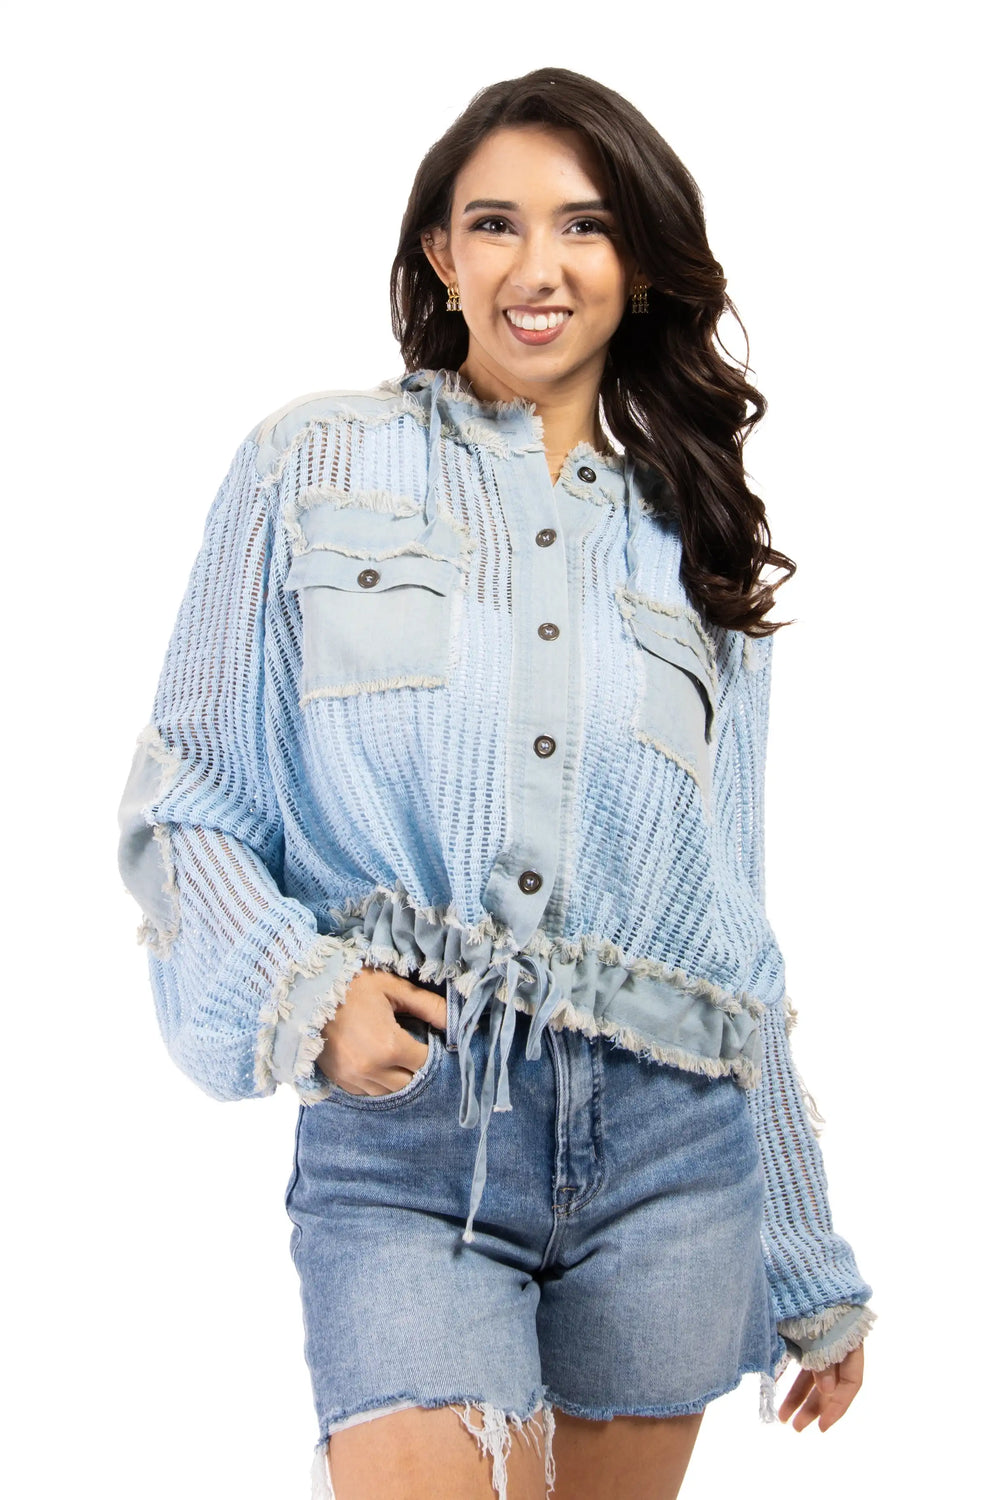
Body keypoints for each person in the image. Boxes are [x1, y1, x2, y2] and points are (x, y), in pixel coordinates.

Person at [117, 66, 876, 1500]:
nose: (541, 267)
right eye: (496, 224)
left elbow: (731, 927)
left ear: (637, 267)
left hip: (673, 1158)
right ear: (440, 254)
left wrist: (803, 1254)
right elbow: (190, 798)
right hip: (416, 1129)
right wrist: (303, 988)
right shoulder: (312, 464)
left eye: (586, 226)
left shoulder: (695, 552)